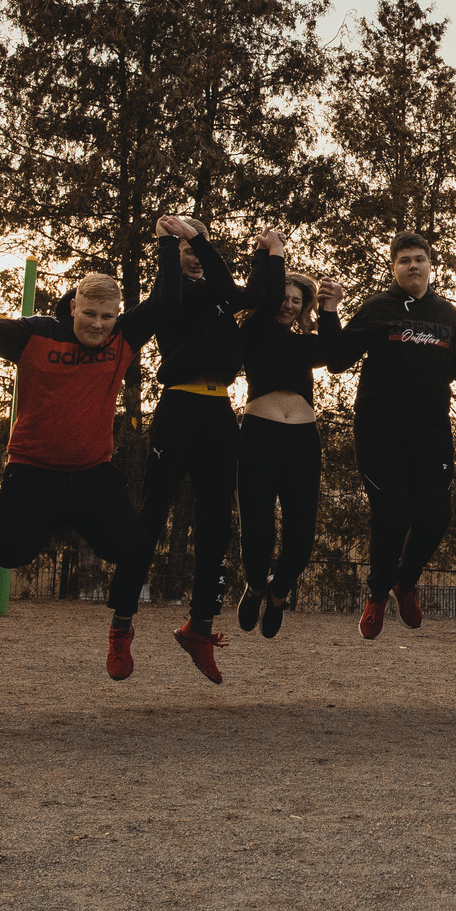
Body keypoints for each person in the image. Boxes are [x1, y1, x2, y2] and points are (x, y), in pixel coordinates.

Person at [0, 214, 186, 681]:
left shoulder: (123, 337)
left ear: (117, 315)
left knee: (135, 545)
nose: (98, 325)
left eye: (107, 316)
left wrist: (166, 244)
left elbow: (165, 302)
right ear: (73, 306)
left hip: (90, 473)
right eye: (90, 314)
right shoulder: (35, 333)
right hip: (33, 470)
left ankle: (120, 628)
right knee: (2, 552)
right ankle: (8, 500)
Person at [143, 224, 287, 681]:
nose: (192, 255)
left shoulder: (222, 296)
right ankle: (122, 624)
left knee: (216, 524)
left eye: (198, 247)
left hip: (220, 412)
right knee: (152, 514)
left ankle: (199, 628)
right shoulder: (172, 293)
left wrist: (270, 253)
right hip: (178, 408)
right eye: (184, 247)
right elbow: (197, 288)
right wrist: (173, 242)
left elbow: (264, 296)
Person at [329, 234, 456, 639]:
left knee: (436, 515)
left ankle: (404, 582)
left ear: (430, 265)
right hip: (380, 430)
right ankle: (377, 593)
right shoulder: (378, 307)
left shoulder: (449, 316)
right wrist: (330, 311)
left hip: (431, 431)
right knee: (393, 514)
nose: (413, 265)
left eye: (420, 259)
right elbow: (338, 360)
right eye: (405, 260)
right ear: (393, 267)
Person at [234, 263, 347, 640]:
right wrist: (273, 257)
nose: (288, 305)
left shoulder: (306, 344)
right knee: (257, 532)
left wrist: (329, 307)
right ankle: (255, 586)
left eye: (297, 301)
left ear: (303, 307)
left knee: (301, 538)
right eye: (283, 298)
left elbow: (332, 352)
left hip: (302, 442)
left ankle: (278, 593)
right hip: (259, 437)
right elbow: (263, 306)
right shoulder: (253, 332)